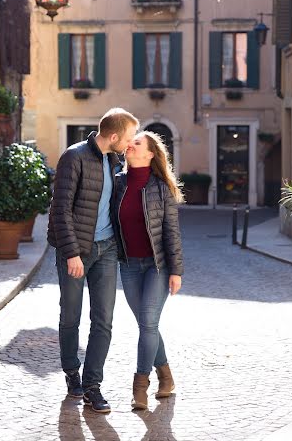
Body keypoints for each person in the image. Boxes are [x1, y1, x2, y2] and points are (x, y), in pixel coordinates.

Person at [48, 108, 139, 414]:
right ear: (113, 136)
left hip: (107, 249)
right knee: (71, 316)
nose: (130, 143)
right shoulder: (73, 158)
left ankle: (92, 386)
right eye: (127, 138)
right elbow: (60, 209)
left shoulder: (116, 160)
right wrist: (72, 253)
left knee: (104, 321)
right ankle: (72, 372)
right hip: (76, 251)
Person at [114, 131, 184, 410]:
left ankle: (140, 387)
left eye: (137, 142)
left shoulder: (161, 187)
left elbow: (171, 232)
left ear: (151, 153)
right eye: (129, 142)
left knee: (147, 323)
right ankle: (166, 376)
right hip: (129, 265)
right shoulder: (117, 183)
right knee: (148, 325)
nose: (130, 145)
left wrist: (176, 270)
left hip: (157, 266)